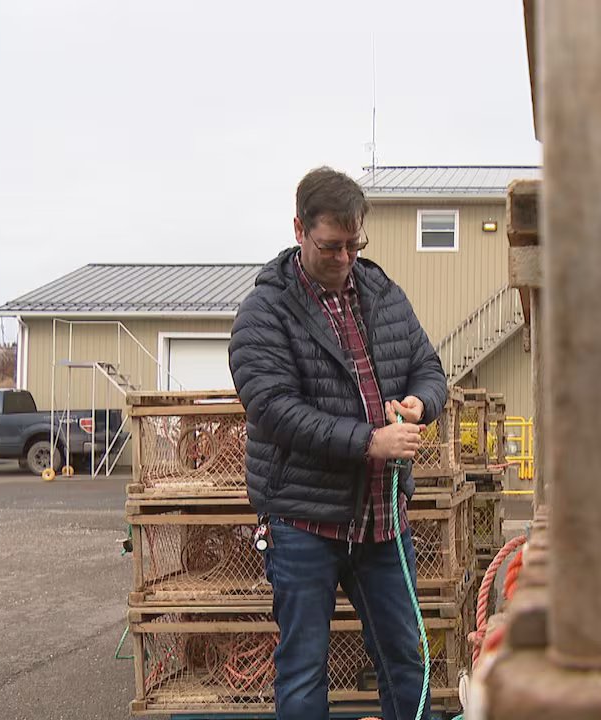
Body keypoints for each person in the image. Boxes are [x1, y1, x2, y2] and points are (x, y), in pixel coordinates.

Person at [229, 166, 447, 720]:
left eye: (355, 244)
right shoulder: (265, 311)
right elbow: (274, 410)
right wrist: (368, 442)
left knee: (406, 660)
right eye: (331, 246)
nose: (345, 257)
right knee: (304, 671)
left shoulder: (381, 291)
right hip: (303, 523)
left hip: (381, 522)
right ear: (299, 229)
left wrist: (423, 400)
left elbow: (427, 365)